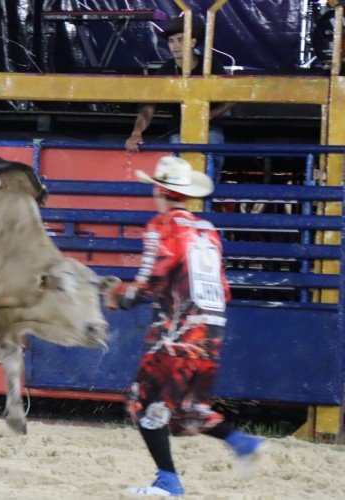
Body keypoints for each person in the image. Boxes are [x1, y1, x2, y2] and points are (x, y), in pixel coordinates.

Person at [104, 156, 266, 497]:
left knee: (143, 402)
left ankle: (168, 482)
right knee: (185, 407)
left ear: (158, 189)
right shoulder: (207, 230)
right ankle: (241, 442)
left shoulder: (163, 226)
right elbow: (221, 286)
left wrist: (118, 297)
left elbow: (152, 280)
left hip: (178, 330)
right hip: (212, 327)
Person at [124, 17, 235, 181]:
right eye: (171, 41)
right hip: (179, 129)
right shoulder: (166, 70)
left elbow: (232, 96)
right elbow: (149, 106)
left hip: (210, 128)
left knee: (212, 157)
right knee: (178, 160)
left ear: (192, 42)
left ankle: (205, 198)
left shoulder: (210, 64)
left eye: (181, 40)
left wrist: (209, 116)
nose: (175, 45)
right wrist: (136, 133)